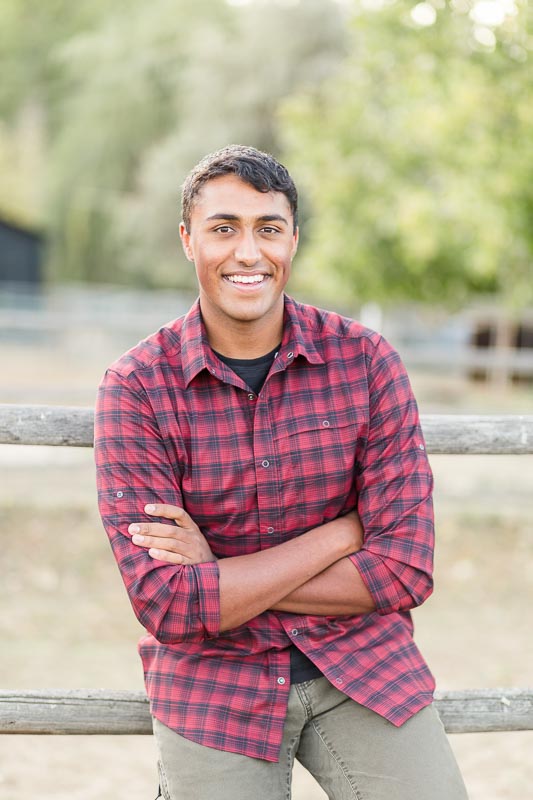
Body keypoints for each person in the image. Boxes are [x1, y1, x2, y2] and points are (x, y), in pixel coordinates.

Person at [94, 145, 468, 800]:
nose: (248, 253)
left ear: (292, 239)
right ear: (187, 240)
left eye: (268, 228)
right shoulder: (137, 387)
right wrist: (342, 534)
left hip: (361, 664)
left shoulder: (366, 361)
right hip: (212, 683)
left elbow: (405, 569)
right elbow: (168, 603)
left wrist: (220, 573)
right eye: (223, 228)